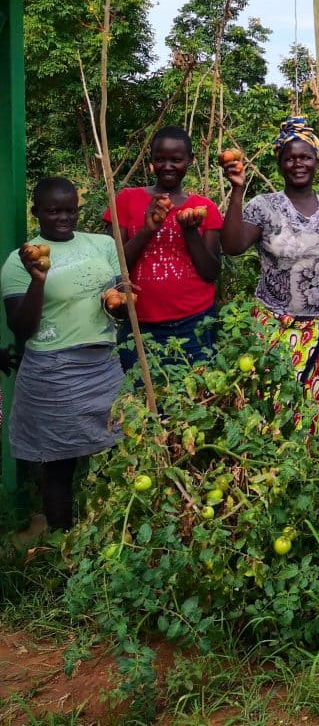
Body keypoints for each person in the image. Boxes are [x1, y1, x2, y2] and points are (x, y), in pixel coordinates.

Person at [1, 177, 125, 530]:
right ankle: (62, 542)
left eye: (70, 210)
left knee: (120, 450)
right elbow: (21, 328)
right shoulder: (19, 261)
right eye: (53, 211)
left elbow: (119, 294)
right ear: (36, 211)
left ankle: (111, 535)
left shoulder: (101, 244)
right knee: (59, 462)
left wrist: (120, 303)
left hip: (103, 365)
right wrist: (38, 279)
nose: (63, 217)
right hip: (52, 371)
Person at [220, 116, 319, 432]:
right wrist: (237, 191)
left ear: (316, 160)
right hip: (274, 331)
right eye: (290, 157)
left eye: (305, 156)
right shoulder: (263, 207)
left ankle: (309, 475)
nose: (299, 164)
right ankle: (270, 478)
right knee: (270, 416)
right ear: (280, 162)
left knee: (316, 414)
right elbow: (232, 246)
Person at [104, 126, 223, 366]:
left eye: (176, 159)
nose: (167, 166)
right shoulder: (128, 200)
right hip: (140, 325)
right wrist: (148, 229)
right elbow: (113, 264)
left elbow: (211, 272)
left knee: (193, 398)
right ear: (151, 161)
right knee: (142, 398)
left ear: (190, 161)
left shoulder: (204, 207)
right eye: (160, 159)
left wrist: (190, 231)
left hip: (195, 322)